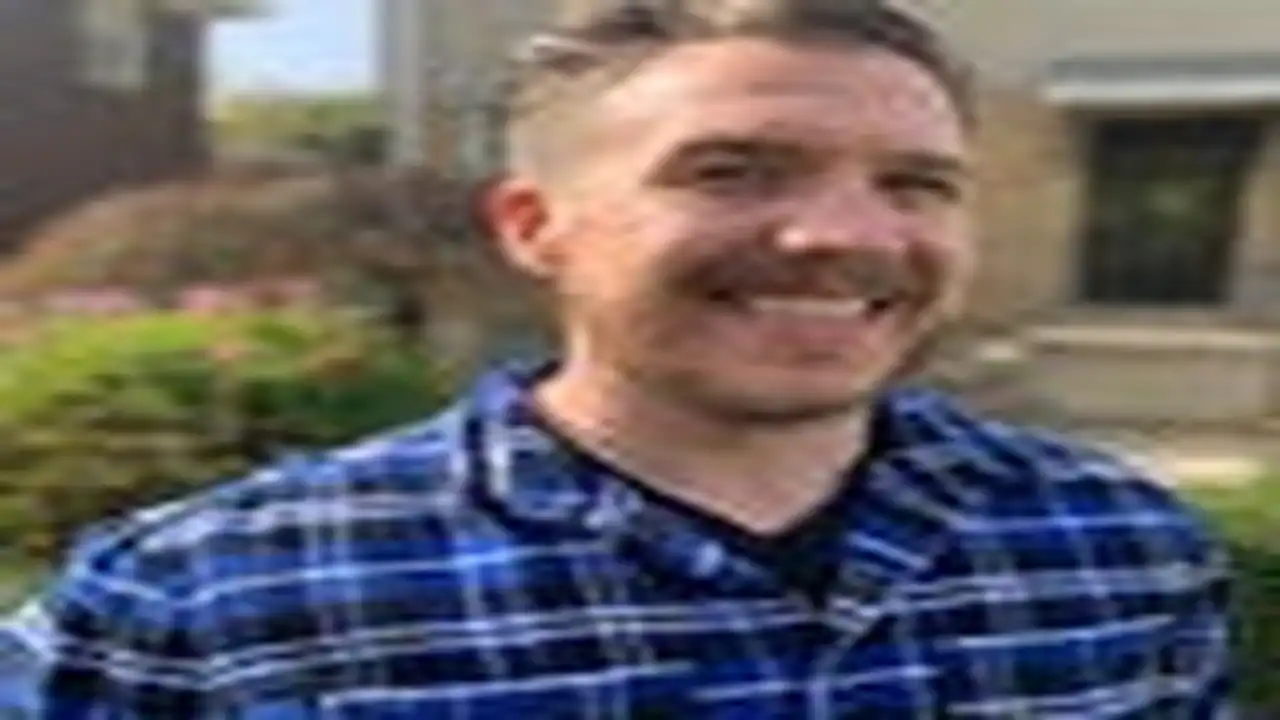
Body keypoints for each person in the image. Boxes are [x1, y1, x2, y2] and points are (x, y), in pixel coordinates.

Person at [1, 1, 1236, 717]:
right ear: (533, 227)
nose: (846, 234)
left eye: (914, 184)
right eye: (730, 170)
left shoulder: (1117, 544)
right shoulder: (202, 601)